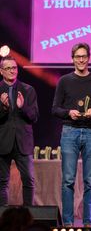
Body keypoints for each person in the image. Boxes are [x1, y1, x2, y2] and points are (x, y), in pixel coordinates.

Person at [52, 42, 91, 227]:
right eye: (78, 57)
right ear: (72, 59)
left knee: (90, 182)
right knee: (68, 180)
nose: (81, 60)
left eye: (84, 56)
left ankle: (87, 223)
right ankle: (68, 223)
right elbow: (55, 109)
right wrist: (69, 113)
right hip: (70, 131)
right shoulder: (64, 81)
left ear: (89, 58)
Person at [0, 56, 39, 206]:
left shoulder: (28, 90)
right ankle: (3, 218)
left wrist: (22, 108)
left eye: (14, 68)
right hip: (3, 142)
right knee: (2, 182)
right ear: (1, 71)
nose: (12, 71)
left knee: (28, 180)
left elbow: (34, 117)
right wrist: (3, 108)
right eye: (8, 68)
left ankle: (28, 215)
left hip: (23, 142)